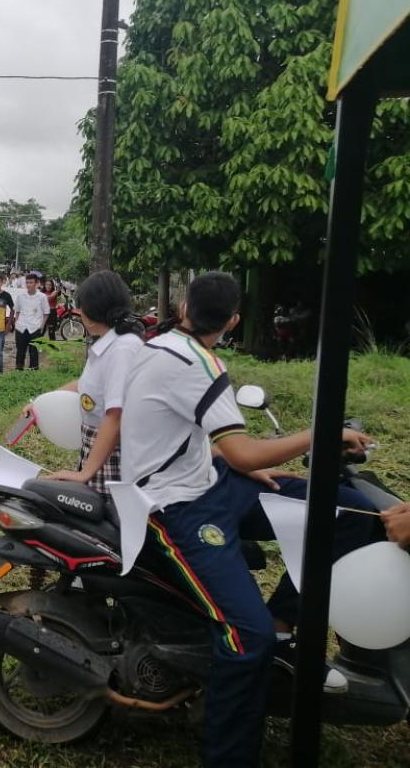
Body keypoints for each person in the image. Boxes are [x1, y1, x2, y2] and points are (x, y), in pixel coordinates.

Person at [120, 271, 375, 767]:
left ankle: (281, 625)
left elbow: (204, 443)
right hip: (176, 506)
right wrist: (321, 434)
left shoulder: (161, 347)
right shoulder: (198, 364)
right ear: (234, 321)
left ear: (183, 308)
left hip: (212, 481)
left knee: (348, 512)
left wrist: (241, 466)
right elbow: (242, 451)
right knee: (246, 637)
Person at [35, 271, 143, 492]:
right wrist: (40, 403)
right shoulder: (109, 343)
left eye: (82, 306)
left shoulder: (123, 349)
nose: (80, 312)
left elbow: (116, 416)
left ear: (94, 309)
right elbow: (85, 384)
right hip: (97, 453)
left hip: (113, 457)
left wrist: (85, 473)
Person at [12, 272, 48, 370]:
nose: (28, 285)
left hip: (35, 327)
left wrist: (42, 326)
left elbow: (46, 313)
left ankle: (33, 370)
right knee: (20, 351)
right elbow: (17, 311)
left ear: (36, 283)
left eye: (31, 282)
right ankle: (19, 370)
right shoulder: (21, 296)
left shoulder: (42, 297)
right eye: (27, 282)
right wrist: (16, 323)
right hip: (21, 327)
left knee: (34, 351)